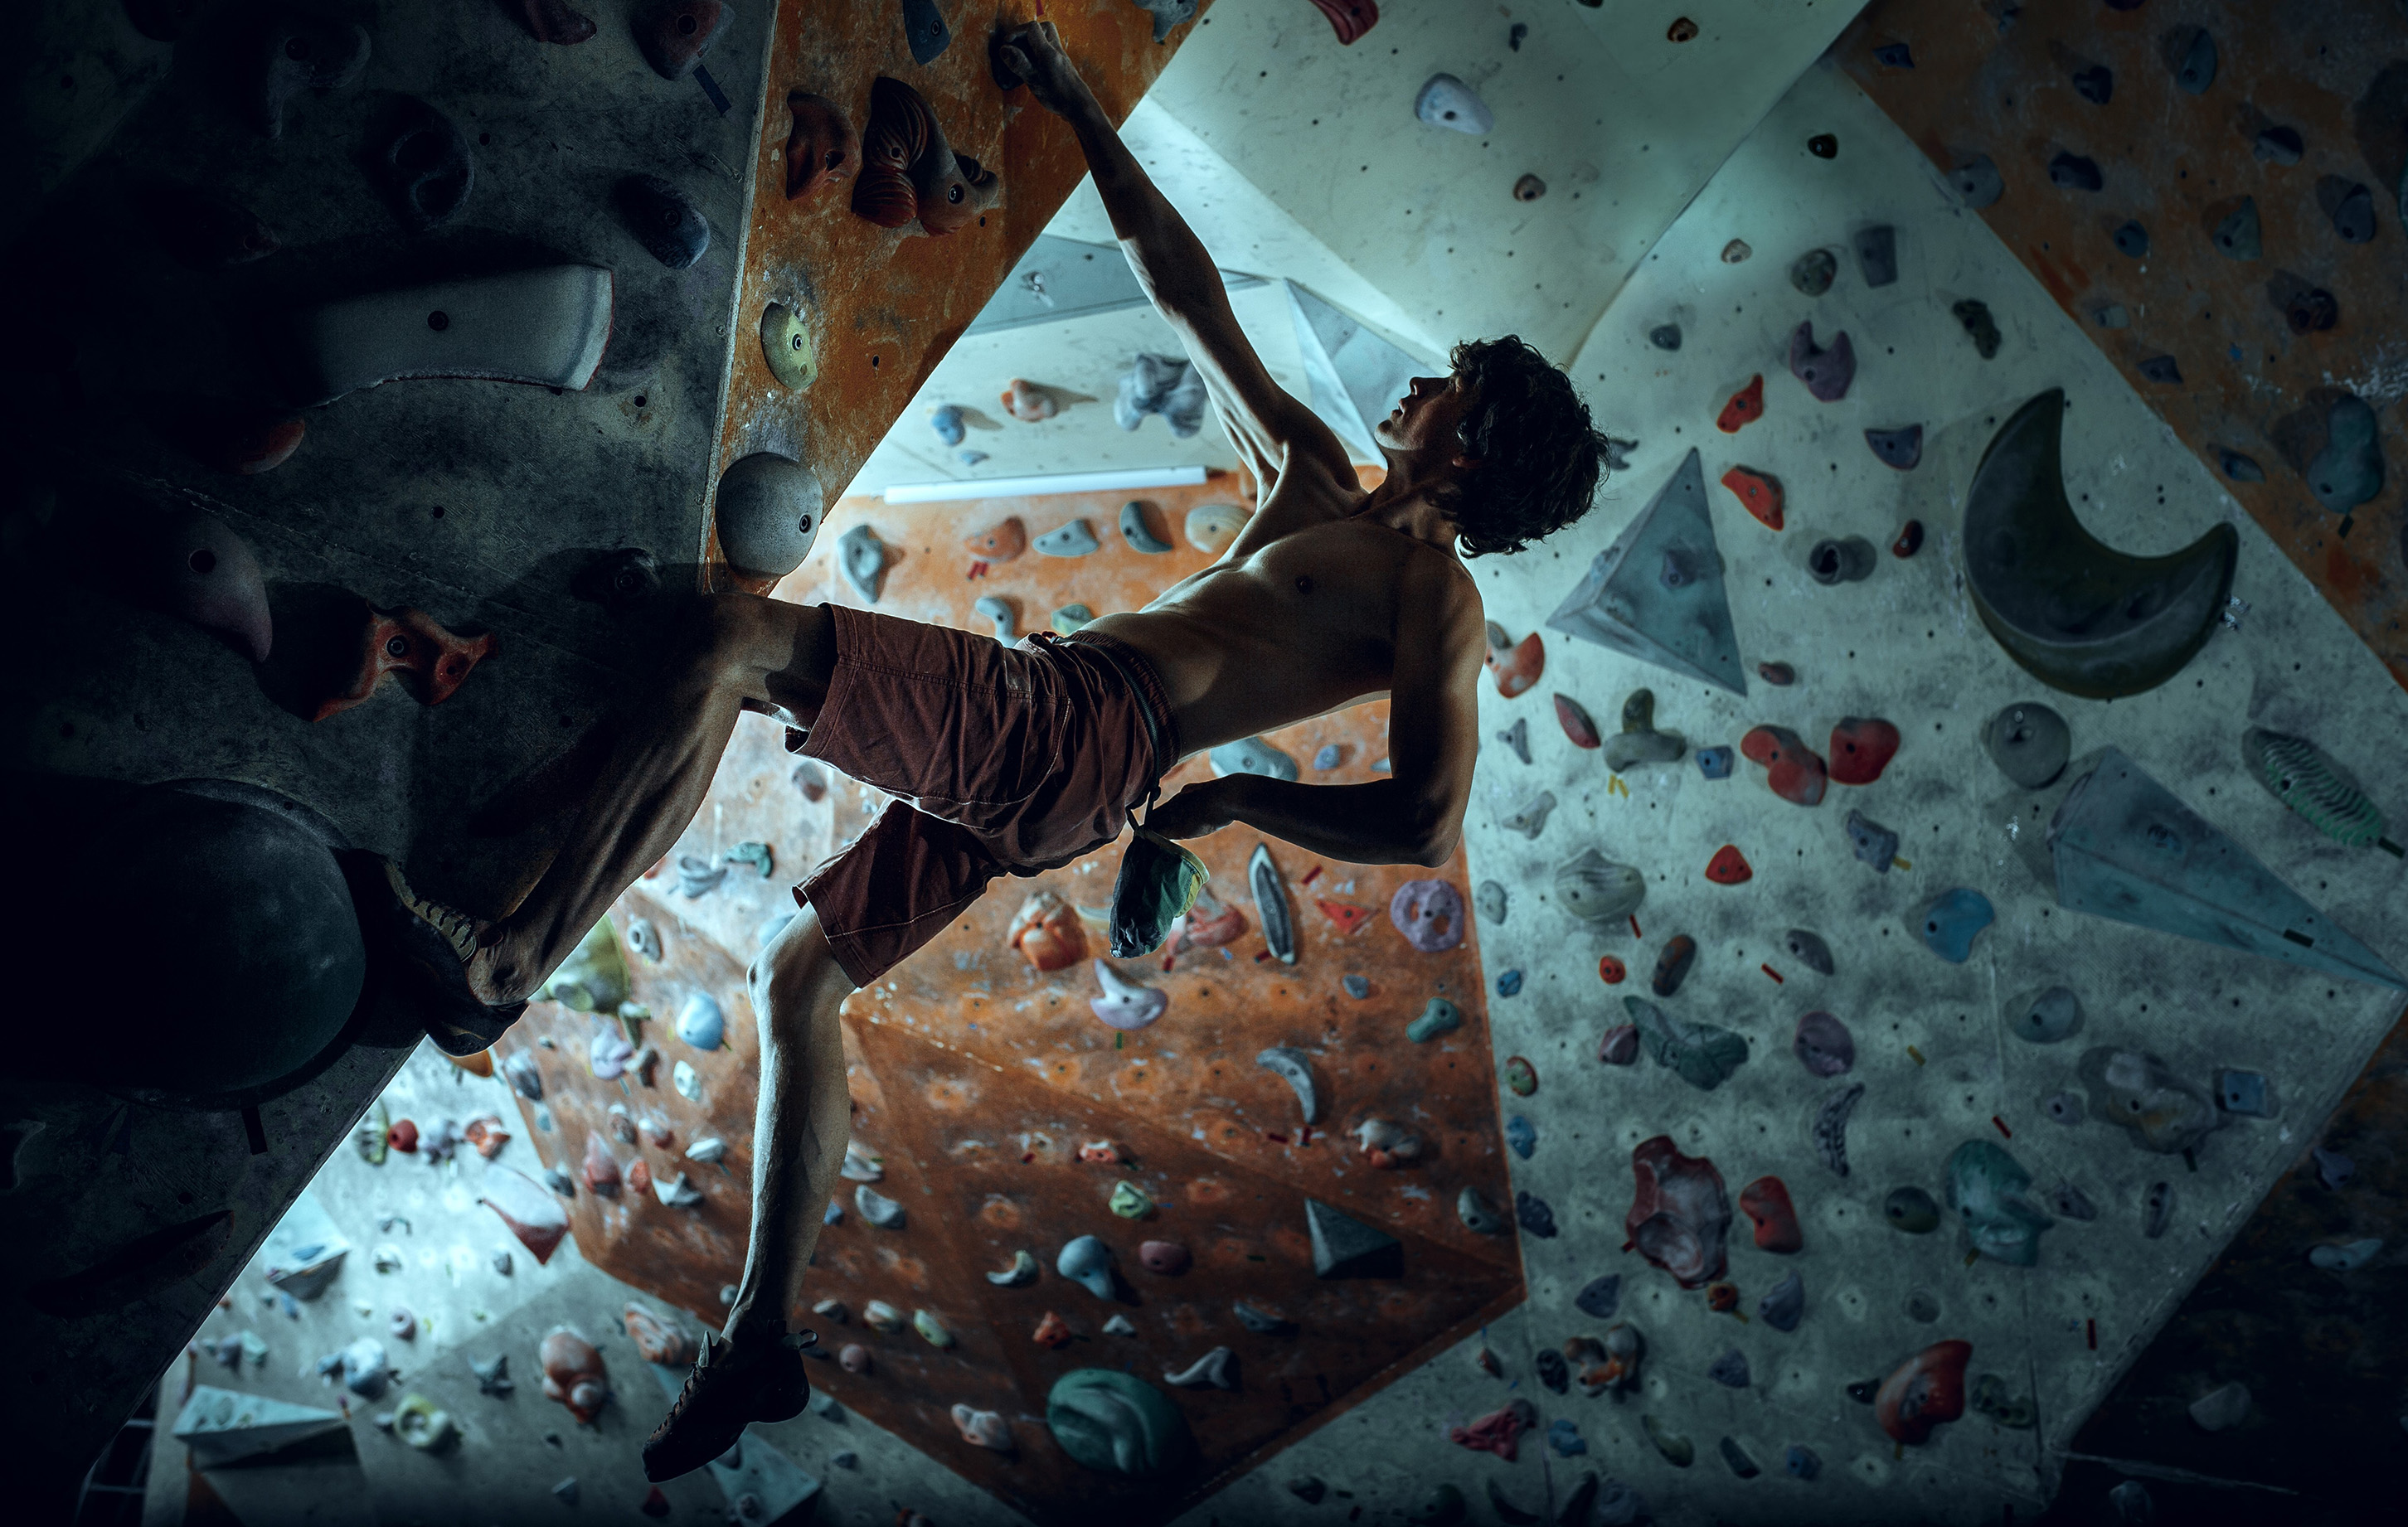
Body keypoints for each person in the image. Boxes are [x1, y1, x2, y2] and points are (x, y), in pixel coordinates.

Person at [353, 20, 1608, 1481]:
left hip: (1088, 732)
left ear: (1470, 449)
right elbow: (1182, 285)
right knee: (796, 971)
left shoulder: (1435, 597)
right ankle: (761, 1330)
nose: (1421, 383)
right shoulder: (1319, 476)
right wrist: (1075, 106)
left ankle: (504, 959)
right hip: (1072, 759)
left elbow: (1424, 817)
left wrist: (1220, 800)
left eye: (1451, 384)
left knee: (734, 643)